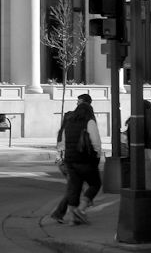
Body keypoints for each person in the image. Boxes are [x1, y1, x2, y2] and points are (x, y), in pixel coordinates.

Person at [50, 93, 103, 225]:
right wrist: (97, 156)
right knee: (95, 184)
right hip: (85, 159)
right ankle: (81, 209)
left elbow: (62, 142)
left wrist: (63, 156)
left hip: (70, 160)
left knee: (75, 187)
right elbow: (96, 142)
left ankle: (73, 218)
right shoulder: (89, 121)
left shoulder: (69, 122)